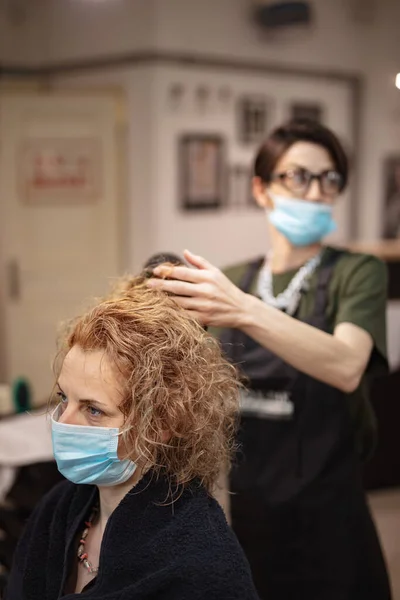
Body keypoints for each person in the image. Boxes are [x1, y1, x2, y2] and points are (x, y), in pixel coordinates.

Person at [146, 119, 392, 599]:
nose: (317, 191)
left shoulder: (357, 272)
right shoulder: (233, 278)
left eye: (330, 178)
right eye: (298, 176)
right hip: (248, 507)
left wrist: (241, 308)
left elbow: (345, 365)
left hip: (330, 515)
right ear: (261, 189)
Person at [5, 277, 259, 599]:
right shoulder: (58, 509)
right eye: (63, 398)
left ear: (161, 424)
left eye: (93, 410)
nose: (64, 422)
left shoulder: (203, 563)